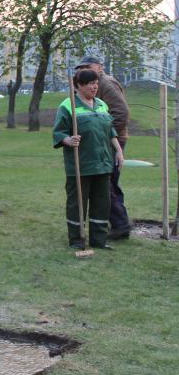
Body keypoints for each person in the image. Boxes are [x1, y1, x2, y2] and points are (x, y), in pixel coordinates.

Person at [53, 69, 124, 250]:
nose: (95, 86)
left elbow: (110, 130)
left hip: (103, 163)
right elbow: (59, 132)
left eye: (96, 83)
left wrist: (118, 150)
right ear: (78, 85)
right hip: (80, 165)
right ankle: (77, 239)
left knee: (102, 202)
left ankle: (99, 240)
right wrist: (68, 140)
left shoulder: (101, 104)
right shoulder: (68, 106)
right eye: (91, 83)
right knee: (77, 203)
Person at [74, 55, 131, 239]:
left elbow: (121, 113)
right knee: (109, 183)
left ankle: (121, 225)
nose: (82, 70)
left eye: (87, 66)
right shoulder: (95, 83)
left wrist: (105, 136)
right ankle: (117, 225)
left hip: (111, 141)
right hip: (106, 140)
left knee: (105, 184)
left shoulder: (105, 83)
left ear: (99, 67)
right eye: (80, 67)